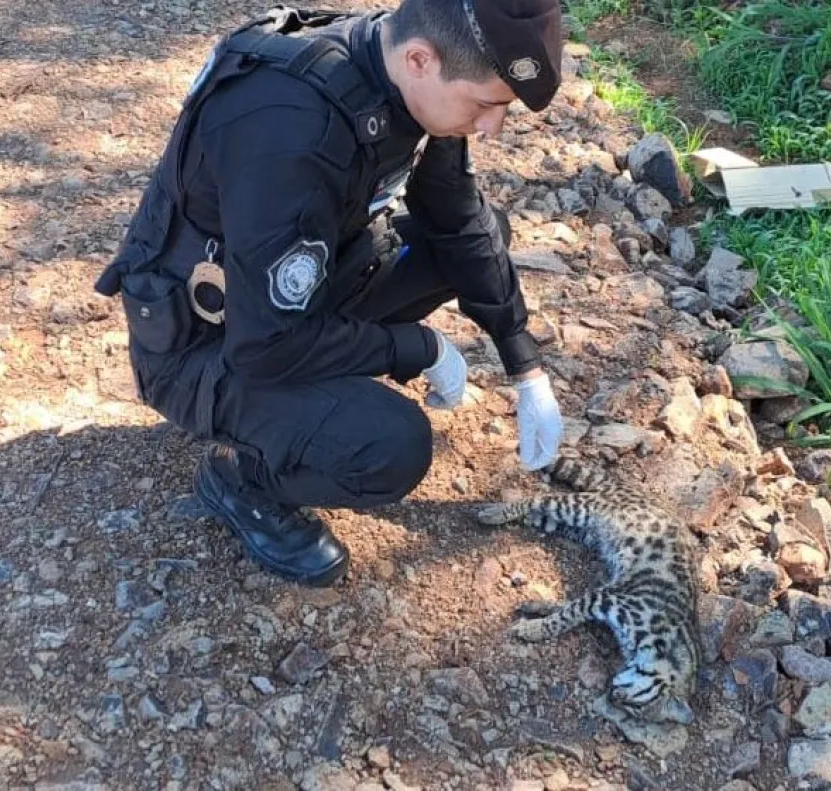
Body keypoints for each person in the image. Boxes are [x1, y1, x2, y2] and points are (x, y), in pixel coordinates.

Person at [95, 0, 566, 587]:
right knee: (390, 446)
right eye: (486, 105)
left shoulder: (400, 72)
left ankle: (313, 395)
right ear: (421, 58)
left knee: (482, 238)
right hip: (203, 345)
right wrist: (415, 348)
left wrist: (524, 364)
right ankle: (243, 483)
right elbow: (264, 346)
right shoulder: (290, 129)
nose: (492, 128)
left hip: (295, 294)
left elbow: (457, 216)